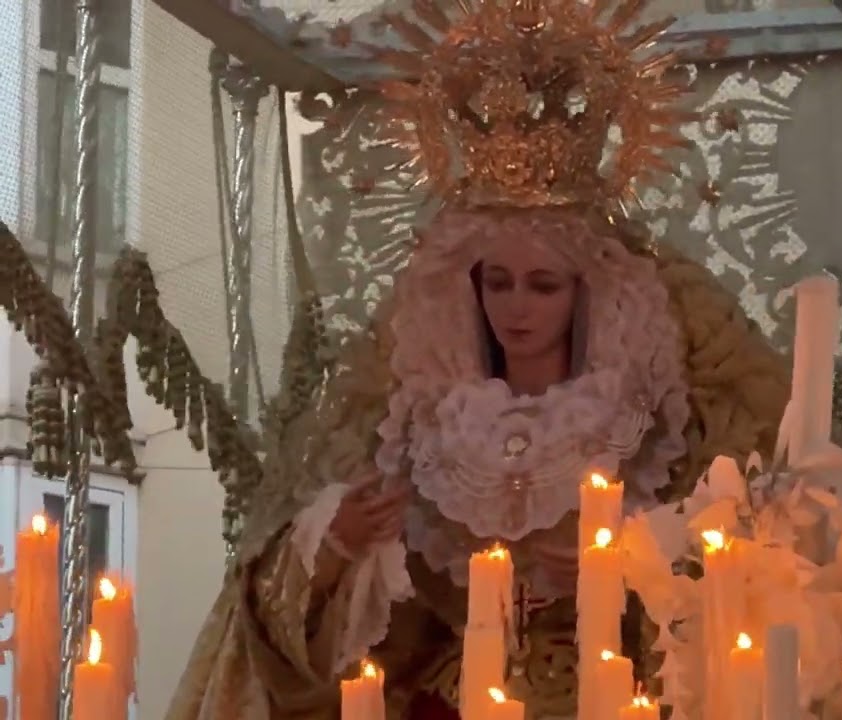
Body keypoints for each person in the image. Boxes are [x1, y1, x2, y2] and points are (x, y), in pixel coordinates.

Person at [164, 0, 790, 717]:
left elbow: (764, 558)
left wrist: (639, 562)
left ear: (586, 295)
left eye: (543, 285)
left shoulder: (656, 423)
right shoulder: (415, 420)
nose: (516, 308)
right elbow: (297, 611)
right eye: (497, 283)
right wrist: (334, 547)